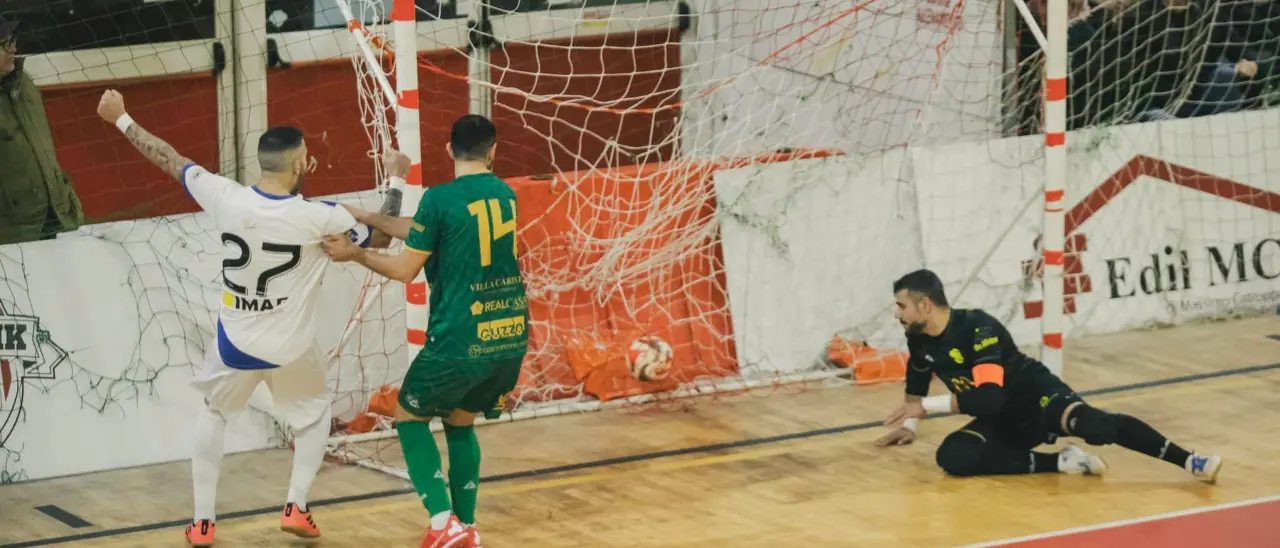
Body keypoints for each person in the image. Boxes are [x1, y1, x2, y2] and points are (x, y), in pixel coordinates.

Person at [95, 89, 412, 547]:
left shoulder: (225, 197)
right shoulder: (318, 216)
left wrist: (121, 118)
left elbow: (169, 157)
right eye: (308, 158)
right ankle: (296, 507)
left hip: (236, 346)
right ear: (300, 165)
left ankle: (202, 523)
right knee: (313, 415)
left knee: (214, 413)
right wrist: (396, 179)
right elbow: (381, 240)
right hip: (290, 348)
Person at [321, 114, 527, 548]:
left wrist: (353, 253)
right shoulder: (505, 194)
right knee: (459, 421)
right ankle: (464, 527)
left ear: (449, 151)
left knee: (408, 417)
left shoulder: (439, 198)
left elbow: (404, 267)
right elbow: (428, 230)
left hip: (458, 337)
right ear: (494, 151)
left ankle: (441, 520)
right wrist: (368, 214)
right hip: (507, 333)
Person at [875, 268, 1223, 483]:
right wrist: (909, 424)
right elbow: (918, 374)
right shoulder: (918, 338)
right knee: (953, 457)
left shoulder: (978, 328)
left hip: (1036, 397)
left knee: (1096, 428)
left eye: (901, 306)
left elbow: (988, 395)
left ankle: (1191, 460)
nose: (896, 314)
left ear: (925, 305)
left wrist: (925, 408)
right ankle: (1061, 461)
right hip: (1003, 418)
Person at [0, 15, 84, 245]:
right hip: (14, 237)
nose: (13, 48)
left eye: (13, 39)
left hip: (60, 219)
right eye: (4, 43)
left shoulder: (22, 83)